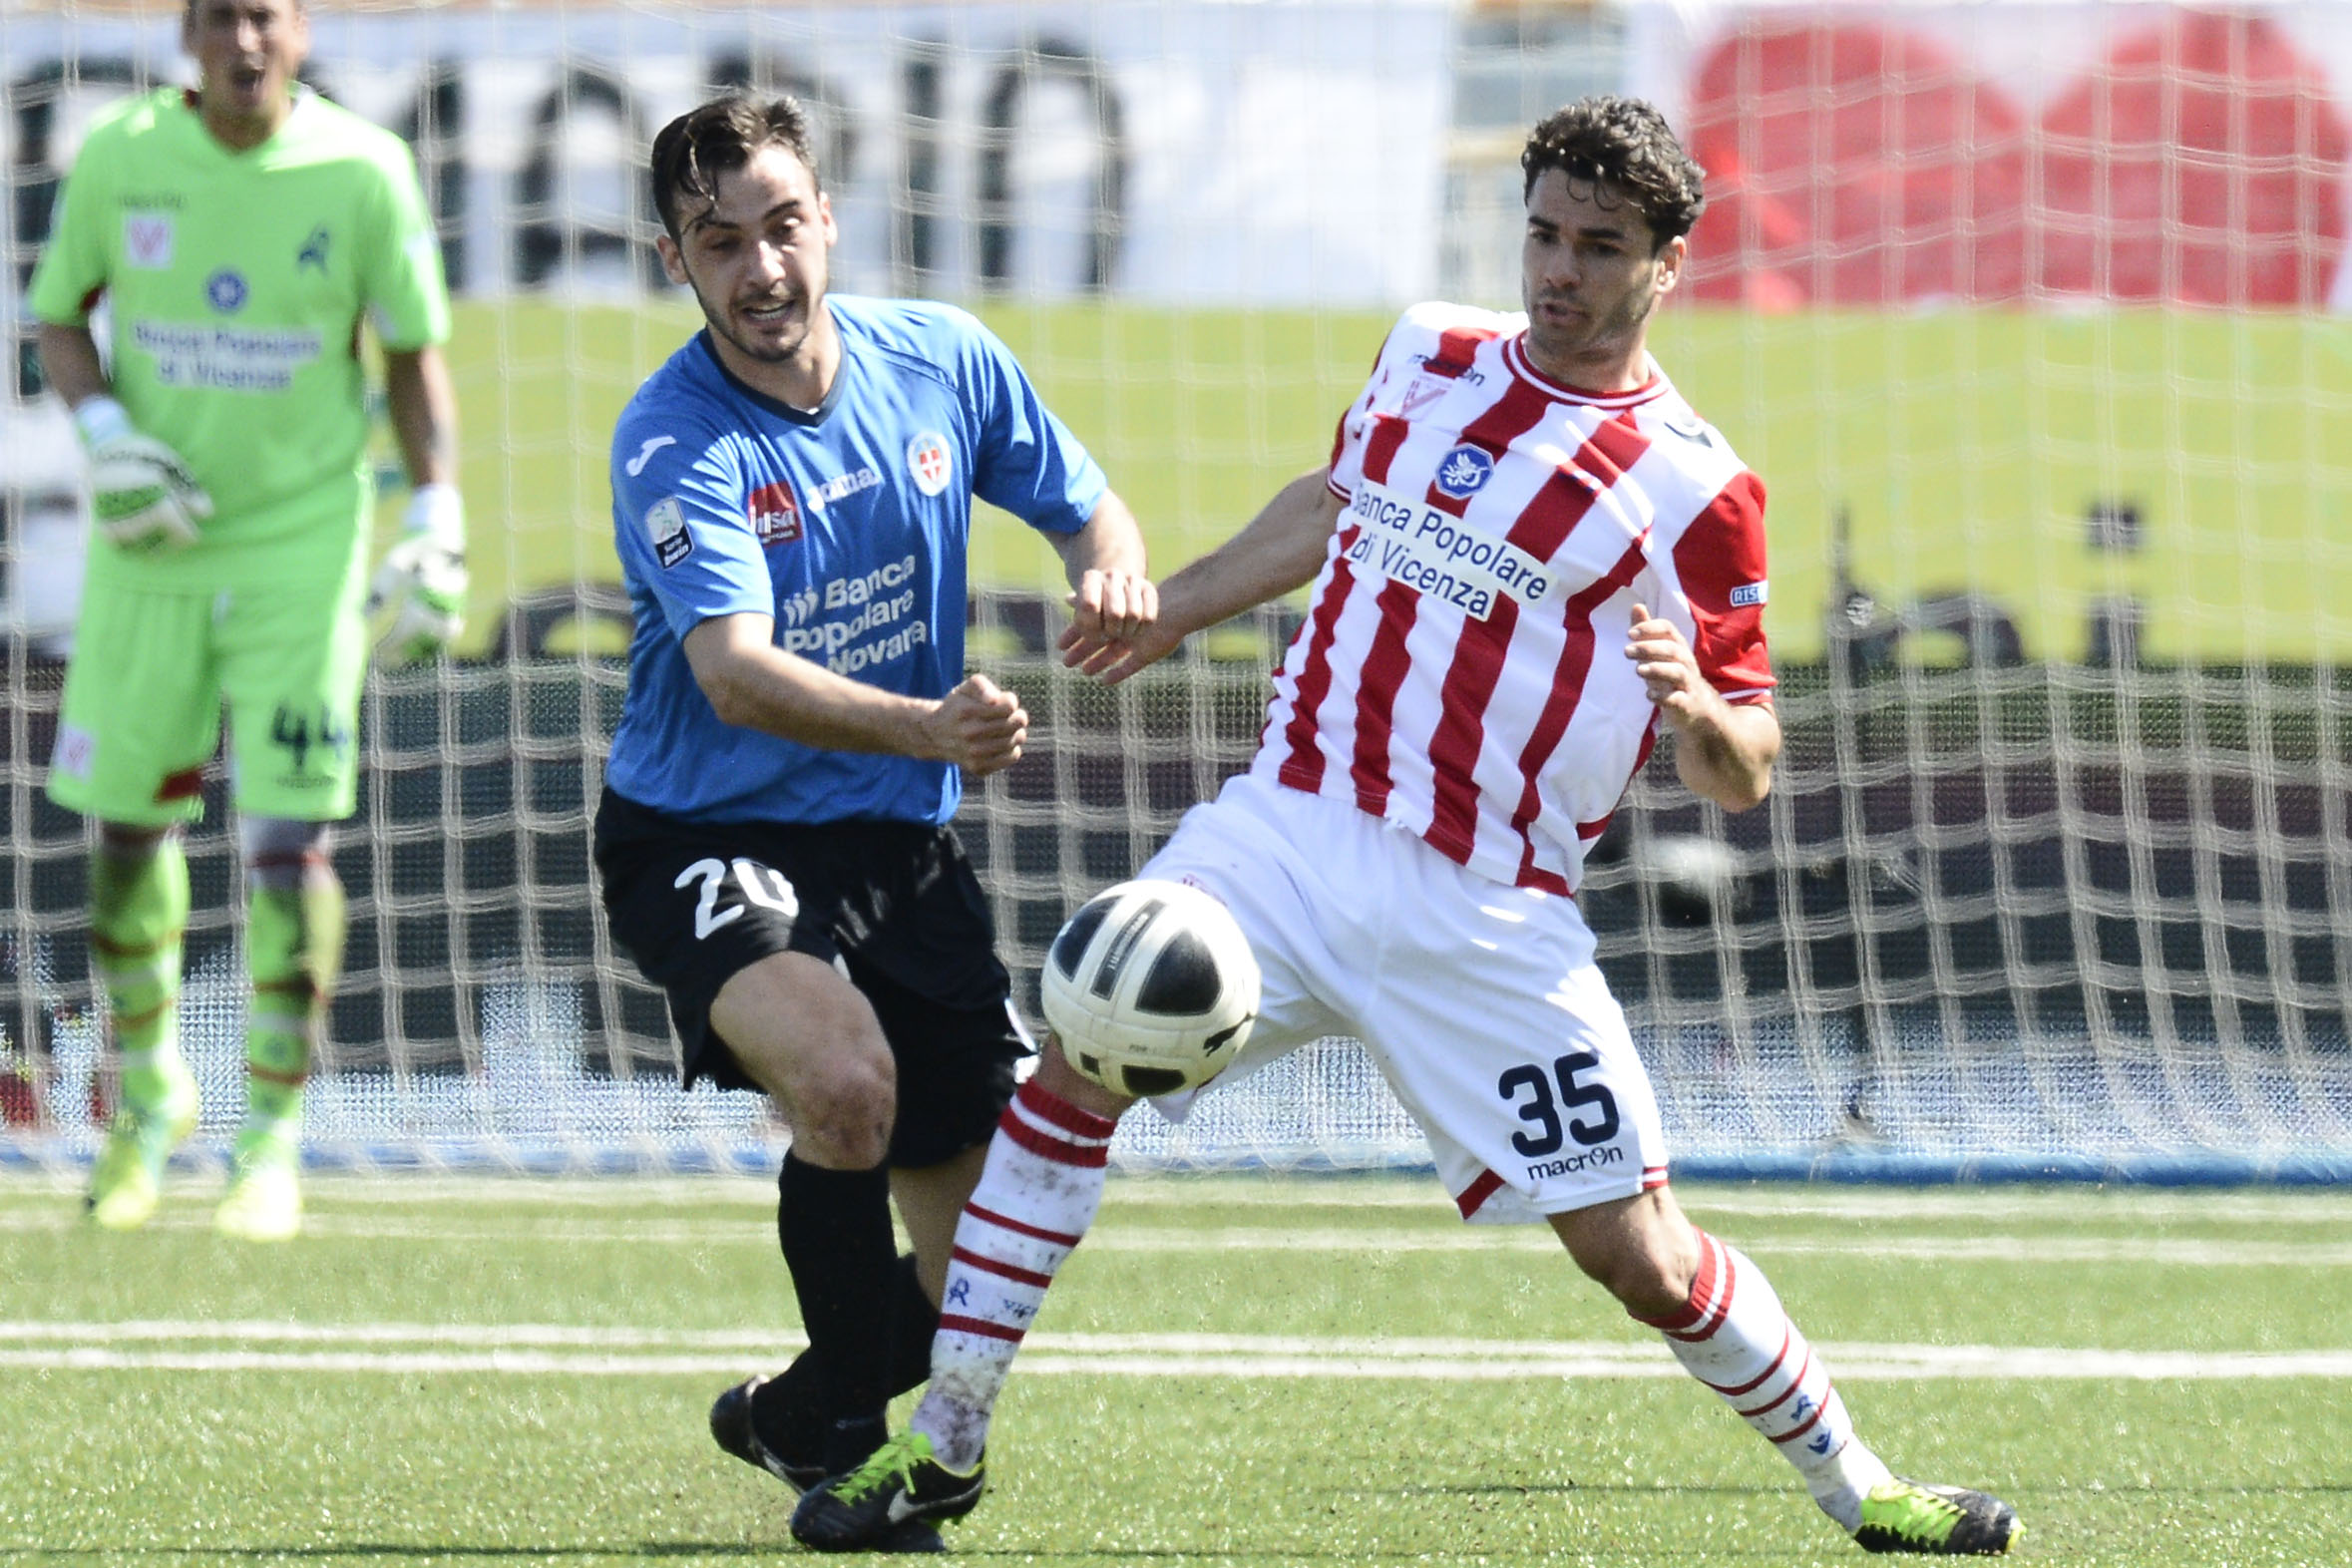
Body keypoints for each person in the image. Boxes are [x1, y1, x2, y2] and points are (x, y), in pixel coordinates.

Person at [793, 96, 2023, 1557]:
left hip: (1488, 912)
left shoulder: (1698, 488)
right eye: (1545, 235)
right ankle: (942, 1446)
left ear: (1669, 262)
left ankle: (1865, 1487)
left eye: (1600, 247)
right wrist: (1176, 604)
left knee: (1636, 1257)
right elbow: (1338, 499)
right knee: (1074, 1053)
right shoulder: (1428, 348)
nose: (1559, 271)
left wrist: (1696, 703)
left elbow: (1742, 770)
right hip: (1289, 833)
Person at [590, 93, 1155, 1548]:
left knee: (989, 1268)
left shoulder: (942, 359)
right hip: (706, 833)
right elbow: (731, 671)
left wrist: (1112, 573)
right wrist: (927, 725)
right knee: (843, 1087)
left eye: (783, 225)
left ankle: (797, 1411)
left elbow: (1092, 508)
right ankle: (846, 1434)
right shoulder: (673, 437)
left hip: (900, 845)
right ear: (677, 261)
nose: (762, 268)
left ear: (827, 218)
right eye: (722, 243)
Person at [29, 0, 466, 1243]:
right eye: (221, 16)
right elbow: (61, 319)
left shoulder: (362, 169)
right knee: (124, 835)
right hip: (150, 552)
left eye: (265, 16)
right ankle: (144, 1106)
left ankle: (271, 1134)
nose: (244, 41)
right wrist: (105, 430)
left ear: (303, 32)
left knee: (288, 842)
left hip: (300, 551)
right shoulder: (118, 155)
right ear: (187, 34)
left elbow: (411, 352)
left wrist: (438, 512)